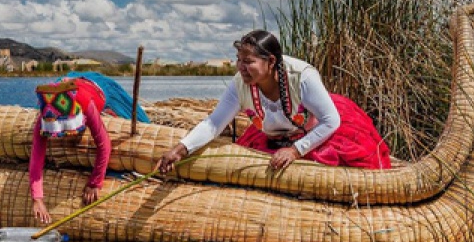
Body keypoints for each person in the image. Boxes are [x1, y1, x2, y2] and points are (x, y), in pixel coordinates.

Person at [156, 30, 391, 174]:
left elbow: (331, 121)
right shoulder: (241, 83)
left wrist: (296, 151)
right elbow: (214, 123)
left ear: (270, 61)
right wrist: (181, 148)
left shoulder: (302, 77)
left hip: (320, 132)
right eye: (238, 60)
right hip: (272, 137)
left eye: (248, 61)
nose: (240, 67)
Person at [31, 71, 150, 224]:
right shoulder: (46, 115)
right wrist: (37, 199)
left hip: (96, 88)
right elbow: (37, 155)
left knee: (143, 122)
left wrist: (95, 183)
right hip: (66, 87)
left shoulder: (85, 104)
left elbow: (105, 144)